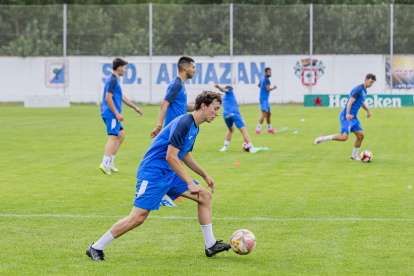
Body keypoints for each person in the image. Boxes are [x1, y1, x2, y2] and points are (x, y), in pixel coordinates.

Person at [86, 91, 231, 261]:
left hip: (169, 172)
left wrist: (204, 175)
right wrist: (190, 181)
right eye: (215, 109)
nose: (217, 113)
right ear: (204, 106)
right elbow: (170, 156)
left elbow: (183, 154)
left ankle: (211, 245)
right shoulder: (184, 122)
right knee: (138, 218)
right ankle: (96, 247)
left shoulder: (194, 126)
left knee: (204, 196)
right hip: (153, 173)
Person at [149, 56, 196, 207]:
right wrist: (159, 126)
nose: (195, 71)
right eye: (193, 67)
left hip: (180, 129)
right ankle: (161, 194)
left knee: (178, 160)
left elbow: (183, 107)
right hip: (174, 130)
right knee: (173, 161)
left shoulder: (181, 85)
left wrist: (201, 107)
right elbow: (164, 104)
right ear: (185, 68)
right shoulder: (176, 84)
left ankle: (167, 192)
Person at [313, 74, 376, 160]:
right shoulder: (359, 89)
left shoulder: (364, 90)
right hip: (346, 116)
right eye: (370, 82)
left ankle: (353, 156)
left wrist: (367, 110)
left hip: (353, 117)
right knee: (344, 137)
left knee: (360, 135)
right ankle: (323, 138)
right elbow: (350, 101)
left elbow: (361, 102)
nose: (371, 84)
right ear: (366, 79)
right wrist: (347, 114)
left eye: (372, 83)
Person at [99, 58, 143, 174]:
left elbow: (121, 96)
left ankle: (110, 162)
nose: (125, 70)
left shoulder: (115, 80)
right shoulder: (112, 80)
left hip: (112, 114)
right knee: (113, 137)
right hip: (111, 114)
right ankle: (104, 163)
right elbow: (108, 98)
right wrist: (117, 114)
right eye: (124, 68)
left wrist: (135, 107)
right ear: (119, 68)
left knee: (121, 136)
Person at [214, 84, 262, 153]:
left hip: (225, 114)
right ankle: (251, 147)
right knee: (243, 130)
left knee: (231, 130)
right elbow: (224, 90)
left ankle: (224, 147)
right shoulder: (230, 91)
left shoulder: (225, 97)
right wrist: (219, 88)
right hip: (234, 113)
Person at [255, 67, 278, 135]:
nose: (270, 73)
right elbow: (268, 89)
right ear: (265, 73)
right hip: (264, 99)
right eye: (268, 72)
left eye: (270, 72)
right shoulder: (267, 80)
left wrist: (263, 89)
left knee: (269, 114)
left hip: (264, 99)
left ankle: (269, 128)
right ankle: (258, 129)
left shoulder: (262, 78)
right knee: (264, 114)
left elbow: (259, 85)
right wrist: (273, 88)